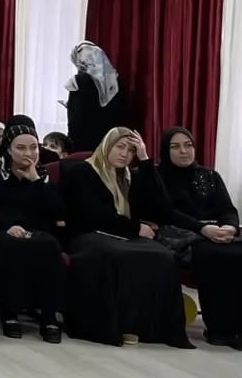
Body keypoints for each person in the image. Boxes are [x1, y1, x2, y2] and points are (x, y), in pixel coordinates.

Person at [57, 127, 193, 348]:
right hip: (86, 234)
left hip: (124, 234)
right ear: (107, 146)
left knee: (163, 256)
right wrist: (135, 228)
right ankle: (117, 326)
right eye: (120, 147)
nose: (124, 154)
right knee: (117, 255)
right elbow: (92, 215)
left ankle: (149, 328)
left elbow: (161, 207)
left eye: (131, 151)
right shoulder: (82, 171)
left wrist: (145, 160)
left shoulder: (130, 177)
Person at [0, 119, 66, 343]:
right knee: (9, 246)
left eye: (33, 147)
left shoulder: (42, 176)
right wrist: (8, 226)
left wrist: (36, 181)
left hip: (34, 231)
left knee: (50, 245)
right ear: (9, 149)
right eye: (20, 148)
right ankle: (9, 313)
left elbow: (58, 212)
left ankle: (49, 316)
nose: (28, 154)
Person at [158, 127, 242, 348]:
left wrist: (230, 227)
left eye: (188, 145)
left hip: (216, 232)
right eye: (175, 147)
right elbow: (167, 213)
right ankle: (220, 330)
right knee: (215, 256)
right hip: (181, 234)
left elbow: (227, 209)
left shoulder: (210, 176)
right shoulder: (158, 177)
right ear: (165, 151)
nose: (184, 151)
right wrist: (202, 229)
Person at [66, 41, 126, 154]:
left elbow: (75, 118)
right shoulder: (116, 80)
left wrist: (71, 142)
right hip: (111, 140)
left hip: (84, 141)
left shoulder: (79, 81)